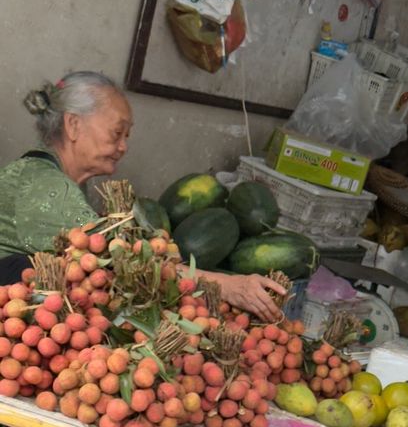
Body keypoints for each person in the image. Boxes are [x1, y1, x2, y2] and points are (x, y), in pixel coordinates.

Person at [0, 71, 285, 321]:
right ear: (73, 125)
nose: (123, 146)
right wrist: (229, 286)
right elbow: (124, 264)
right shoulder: (48, 189)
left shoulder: (50, 175)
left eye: (127, 136)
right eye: (117, 132)